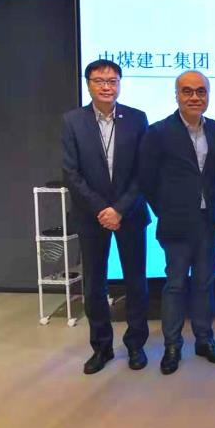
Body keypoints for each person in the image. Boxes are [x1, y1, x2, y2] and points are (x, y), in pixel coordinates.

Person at [62, 59, 150, 374]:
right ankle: (101, 347)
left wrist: (120, 209)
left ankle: (136, 345)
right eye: (99, 81)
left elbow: (144, 170)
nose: (106, 86)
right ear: (88, 84)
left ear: (119, 84)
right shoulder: (73, 121)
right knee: (94, 284)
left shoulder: (137, 118)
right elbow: (71, 173)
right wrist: (102, 209)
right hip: (92, 216)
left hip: (130, 213)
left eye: (112, 81)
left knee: (136, 282)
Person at [138, 70, 215, 375]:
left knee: (204, 284)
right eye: (187, 91)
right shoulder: (158, 132)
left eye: (201, 91)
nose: (194, 97)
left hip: (208, 222)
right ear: (176, 95)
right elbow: (146, 180)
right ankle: (172, 345)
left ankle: (204, 340)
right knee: (175, 285)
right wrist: (166, 209)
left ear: (208, 96)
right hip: (175, 223)